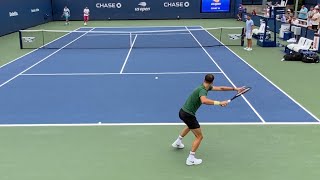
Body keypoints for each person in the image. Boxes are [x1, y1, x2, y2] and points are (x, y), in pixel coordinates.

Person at [171, 74, 244, 166]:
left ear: (204, 80)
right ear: (212, 82)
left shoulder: (203, 86)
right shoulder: (203, 90)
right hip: (188, 115)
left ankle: (178, 142)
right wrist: (219, 102)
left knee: (190, 126)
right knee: (199, 137)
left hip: (182, 112)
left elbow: (221, 88)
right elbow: (204, 101)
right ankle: (191, 159)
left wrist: (235, 89)